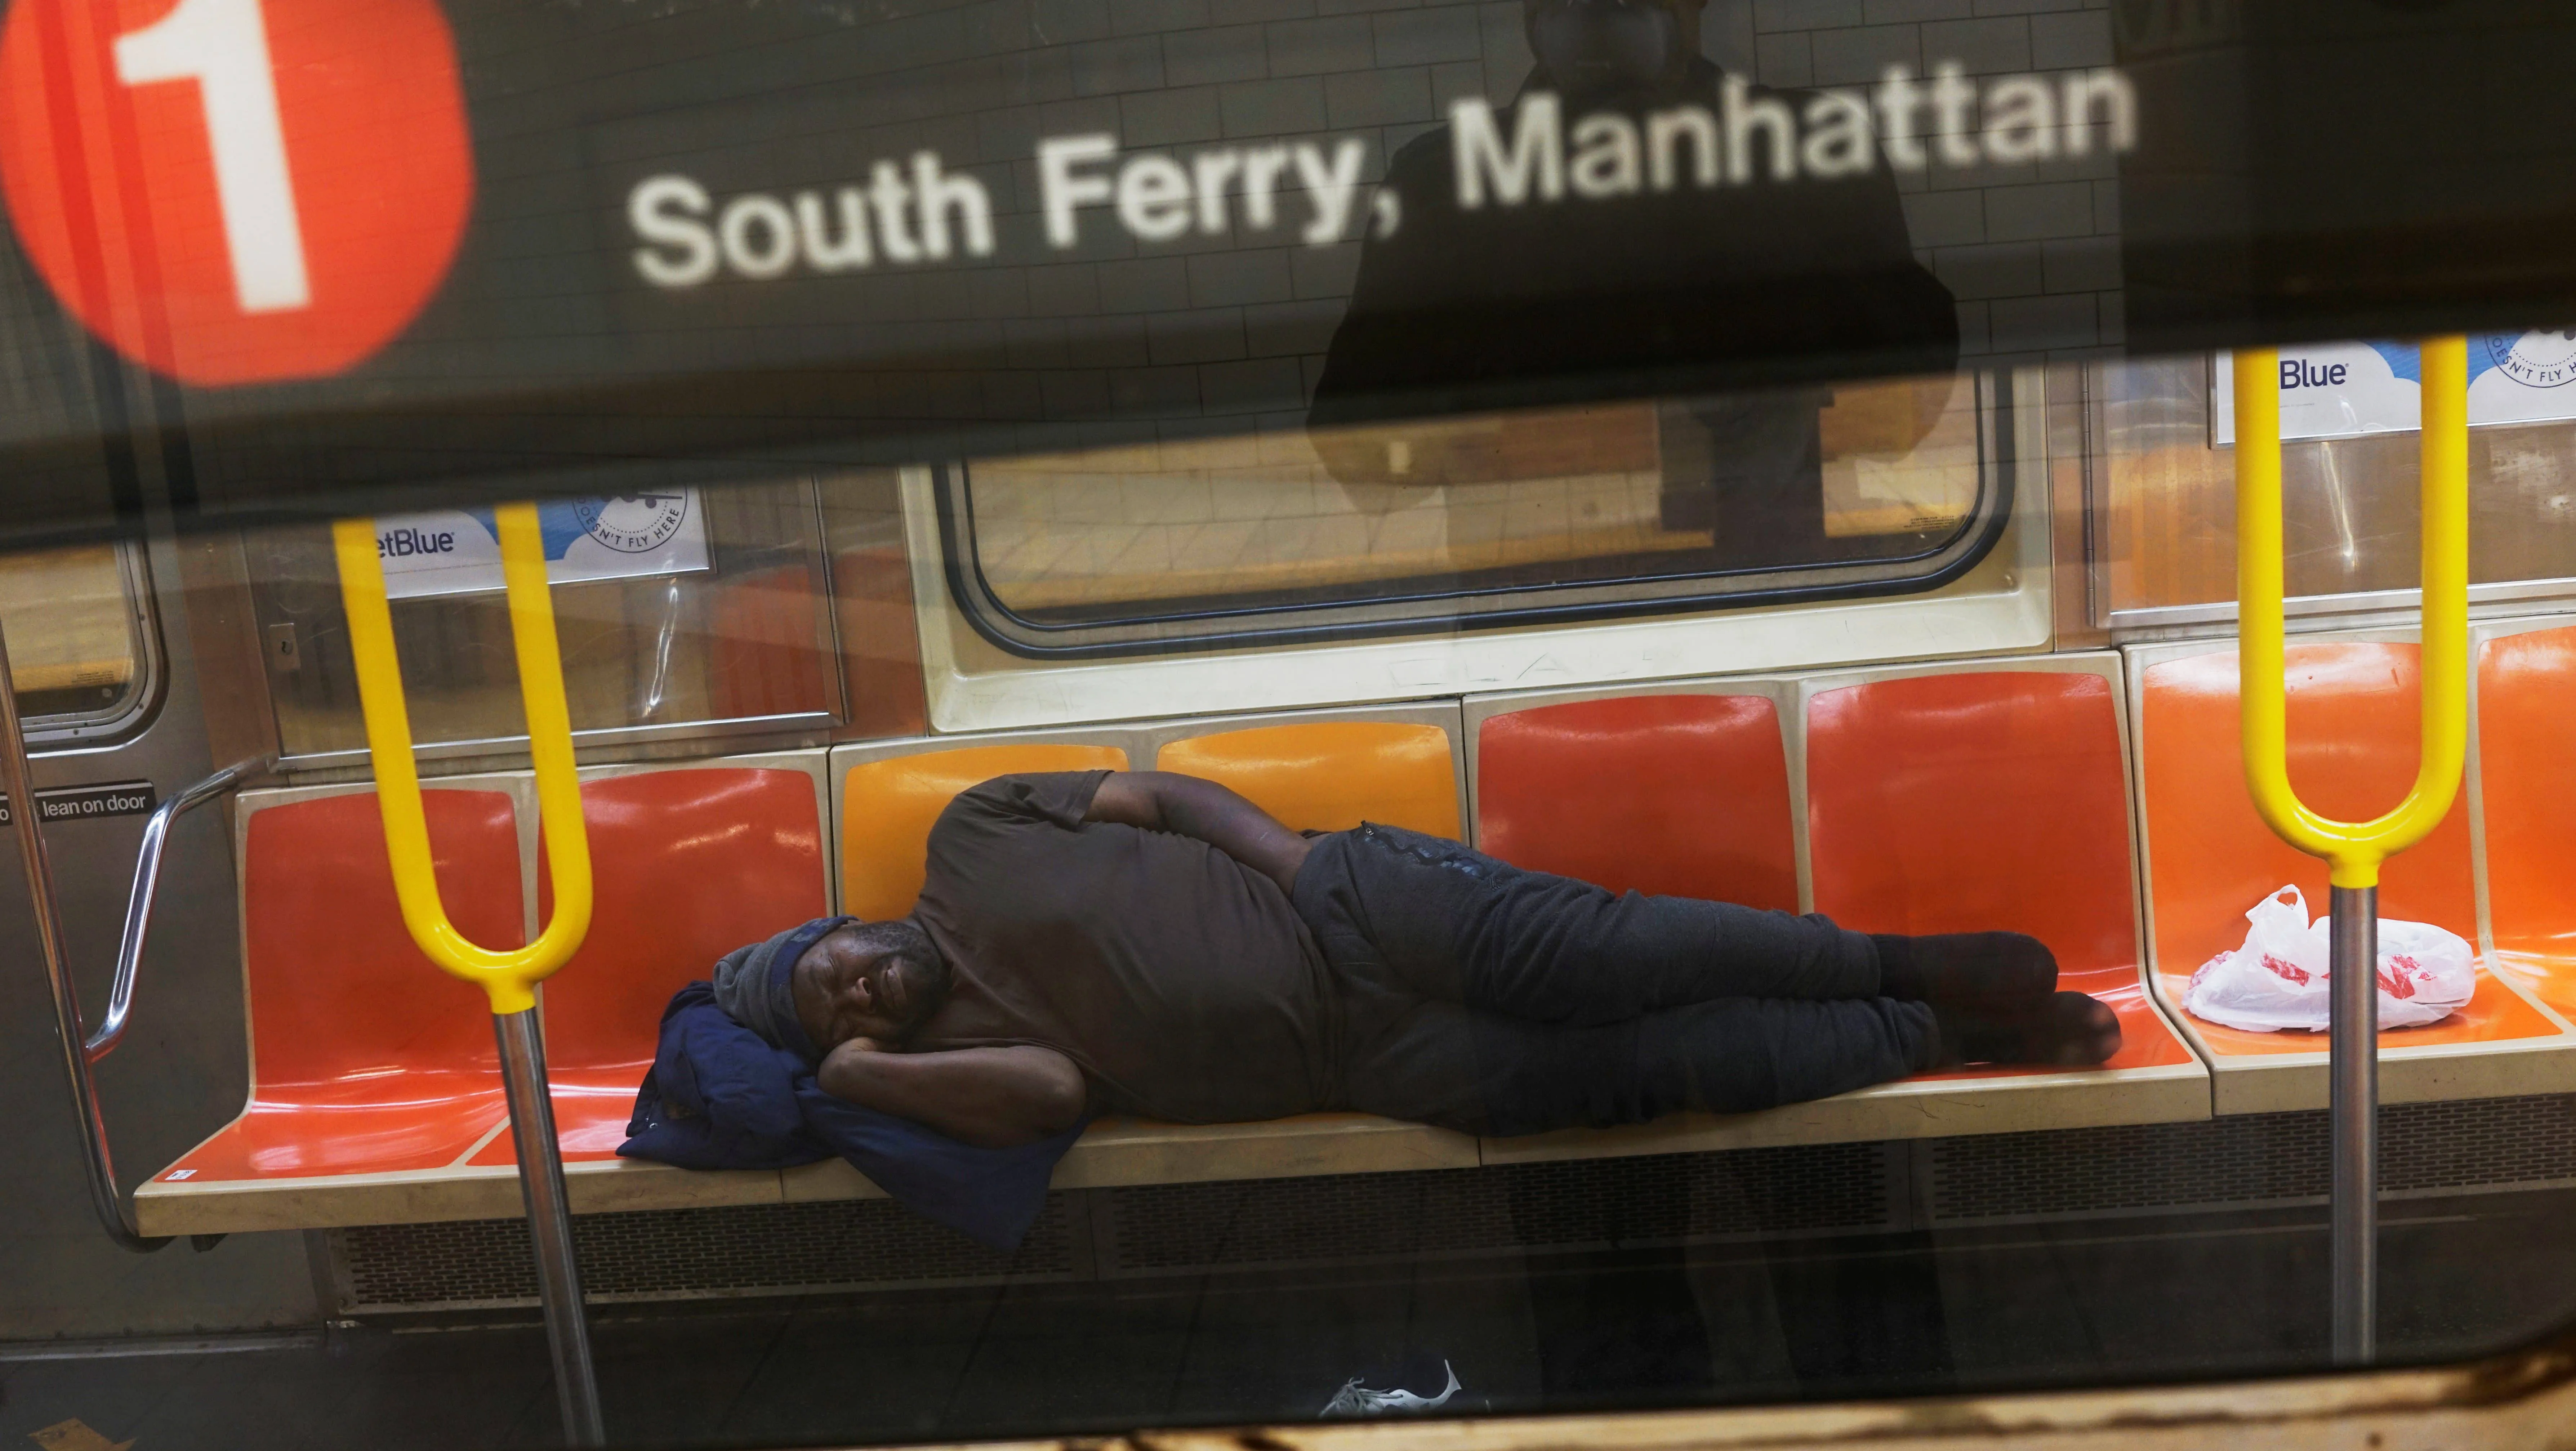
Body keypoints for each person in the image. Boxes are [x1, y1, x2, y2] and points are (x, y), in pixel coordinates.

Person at [709, 770, 2118, 1149]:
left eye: (826, 963)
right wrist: (865, 1077)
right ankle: (1934, 1038)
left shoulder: (969, 836)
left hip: (1359, 900)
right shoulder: (947, 1058)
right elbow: (1054, 1098)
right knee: (1648, 1065)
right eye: (831, 1012)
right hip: (1363, 1056)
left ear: (839, 920)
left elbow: (1156, 796)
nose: (850, 986)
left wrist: (1290, 864)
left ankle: (1901, 962)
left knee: (1620, 951)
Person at [1305, 0, 1961, 570]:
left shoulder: (1808, 150)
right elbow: (1361, 456)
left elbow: (1911, 404)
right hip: (1532, 606)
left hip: (1759, 585)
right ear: (1529, 11)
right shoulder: (1441, 184)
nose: (1599, 11)